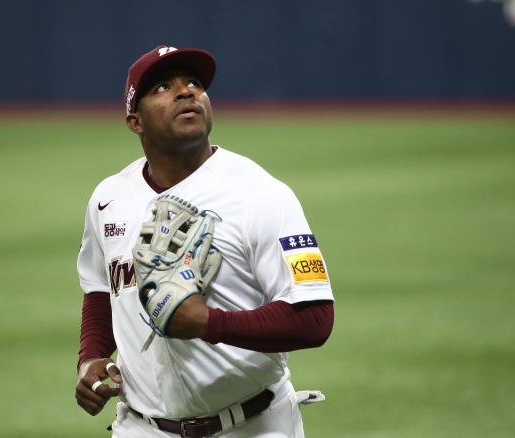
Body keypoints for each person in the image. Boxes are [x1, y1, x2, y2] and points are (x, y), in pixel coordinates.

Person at [75, 45, 335, 438]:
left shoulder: (261, 193)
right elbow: (100, 286)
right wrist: (92, 356)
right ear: (135, 121)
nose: (186, 92)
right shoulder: (108, 199)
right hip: (141, 428)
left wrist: (210, 323)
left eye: (194, 83)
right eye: (163, 86)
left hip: (254, 425)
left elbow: (315, 319)